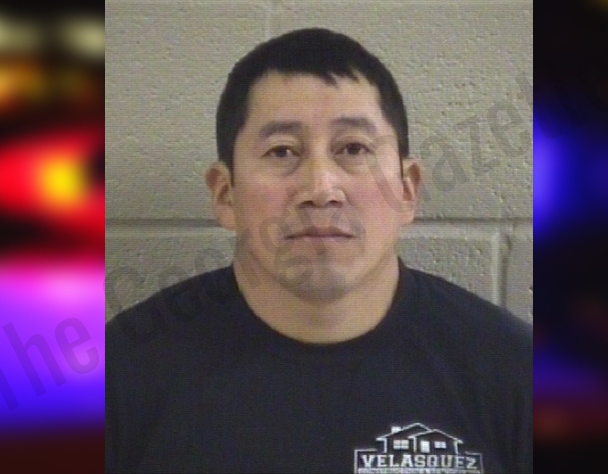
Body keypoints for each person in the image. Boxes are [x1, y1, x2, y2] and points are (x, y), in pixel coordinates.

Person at [105, 28, 532, 474]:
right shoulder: (122, 375)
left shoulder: (515, 374)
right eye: (281, 152)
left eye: (353, 149)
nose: (321, 189)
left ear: (408, 190)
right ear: (226, 194)